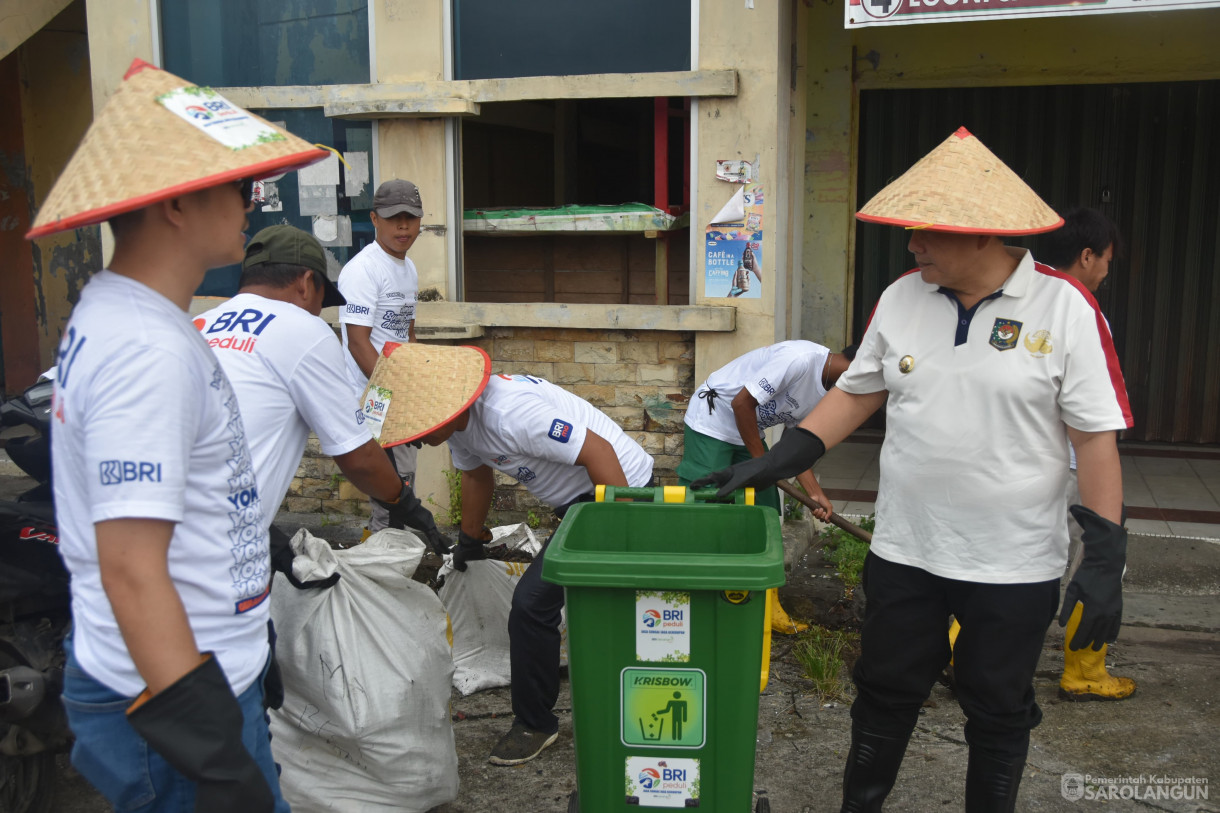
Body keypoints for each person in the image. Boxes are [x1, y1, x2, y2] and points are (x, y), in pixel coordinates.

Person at [693, 128, 1133, 812]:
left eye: (925, 232)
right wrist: (780, 457)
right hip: (907, 551)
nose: (911, 244)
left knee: (997, 706)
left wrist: (1105, 555)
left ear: (983, 233)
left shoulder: (1066, 309)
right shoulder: (902, 297)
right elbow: (858, 392)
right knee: (884, 691)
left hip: (1013, 565)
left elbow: (1096, 440)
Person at [26, 60, 331, 812]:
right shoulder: (146, 349)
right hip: (166, 702)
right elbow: (130, 566)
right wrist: (213, 753)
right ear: (176, 202)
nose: (250, 202)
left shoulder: (135, 315)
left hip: (190, 672)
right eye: (237, 185)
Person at [366, 344, 654, 767]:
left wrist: (618, 530)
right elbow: (477, 476)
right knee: (564, 601)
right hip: (580, 503)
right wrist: (470, 538)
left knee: (533, 604)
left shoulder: (509, 414)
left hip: (619, 493)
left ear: (446, 409)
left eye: (421, 429)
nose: (421, 441)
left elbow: (599, 452)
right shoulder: (464, 425)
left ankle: (536, 723)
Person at [195, 225, 451, 562]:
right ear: (305, 283)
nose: (319, 311)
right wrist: (407, 504)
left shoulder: (198, 326)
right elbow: (358, 458)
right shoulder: (303, 328)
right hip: (215, 555)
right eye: (321, 299)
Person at [677, 339, 855, 632]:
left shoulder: (830, 394)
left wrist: (814, 493)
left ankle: (769, 608)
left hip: (748, 428)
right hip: (713, 419)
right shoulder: (799, 359)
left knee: (766, 510)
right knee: (704, 504)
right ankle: (688, 600)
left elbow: (796, 444)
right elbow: (741, 403)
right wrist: (764, 464)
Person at [1043, 207, 1135, 702]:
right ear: (1086, 256)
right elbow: (1098, 417)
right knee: (1095, 568)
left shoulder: (1028, 298)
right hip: (1078, 469)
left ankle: (957, 653)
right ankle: (1083, 672)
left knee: (1019, 564)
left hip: (1032, 462)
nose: (1105, 271)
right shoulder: (1083, 310)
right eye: (1105, 260)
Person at [338, 178, 425, 536]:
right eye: (393, 218)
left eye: (410, 217)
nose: (403, 226)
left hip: (398, 394)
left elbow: (407, 332)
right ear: (374, 219)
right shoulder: (363, 270)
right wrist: (397, 393)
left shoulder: (409, 268)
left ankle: (392, 571)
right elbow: (358, 344)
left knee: (401, 489)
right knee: (391, 501)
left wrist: (418, 388)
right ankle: (381, 577)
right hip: (375, 398)